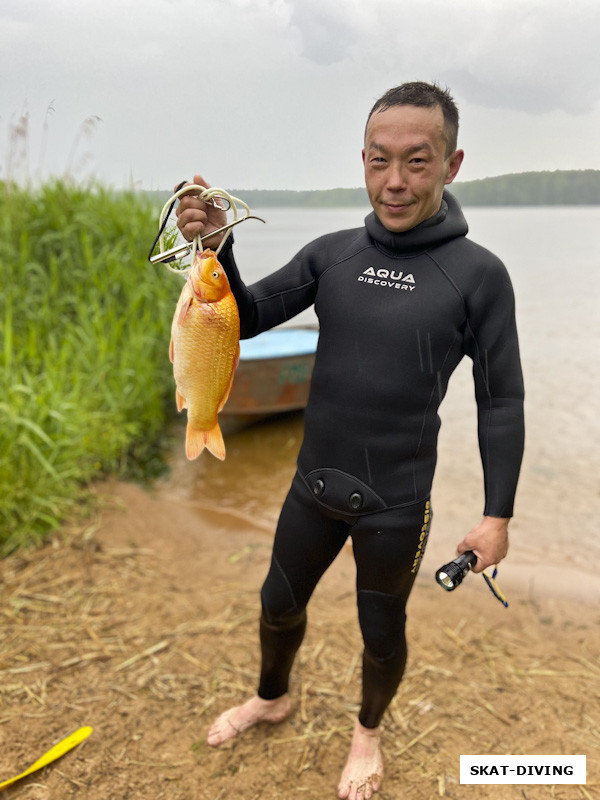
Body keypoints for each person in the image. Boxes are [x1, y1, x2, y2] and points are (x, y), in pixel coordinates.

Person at [175, 81, 525, 800]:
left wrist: (497, 515)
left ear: (452, 164)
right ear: (362, 160)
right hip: (312, 485)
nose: (394, 181)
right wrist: (216, 245)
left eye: (417, 162)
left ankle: (367, 732)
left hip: (396, 503)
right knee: (277, 603)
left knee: (381, 630)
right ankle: (273, 697)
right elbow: (243, 316)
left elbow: (502, 399)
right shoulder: (331, 254)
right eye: (378, 160)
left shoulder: (479, 277)